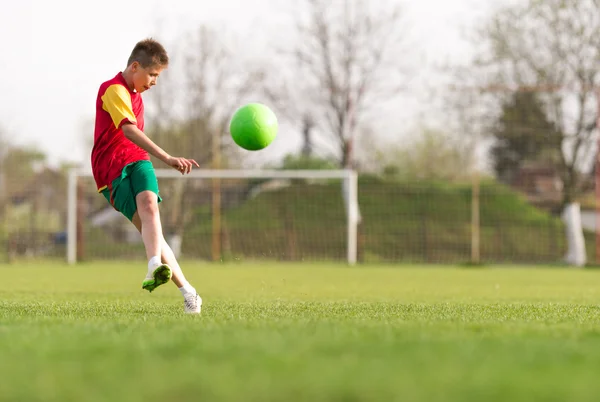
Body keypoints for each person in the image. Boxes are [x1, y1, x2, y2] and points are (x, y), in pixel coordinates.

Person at [91, 38, 202, 314]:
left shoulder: (138, 96)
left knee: (151, 207)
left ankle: (154, 264)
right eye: (152, 74)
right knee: (152, 232)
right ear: (135, 66)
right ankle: (188, 290)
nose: (154, 81)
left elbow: (133, 141)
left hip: (137, 160)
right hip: (111, 171)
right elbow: (128, 131)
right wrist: (168, 158)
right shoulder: (113, 90)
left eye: (158, 76)